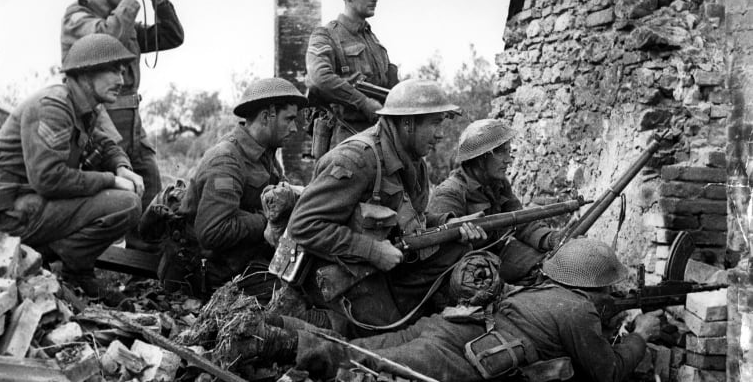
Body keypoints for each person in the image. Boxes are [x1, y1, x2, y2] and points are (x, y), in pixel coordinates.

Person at [244, 238, 663, 382]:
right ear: (595, 285)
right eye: (609, 286)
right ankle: (262, 338)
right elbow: (607, 372)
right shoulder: (579, 313)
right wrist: (641, 335)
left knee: (356, 348)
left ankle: (267, 327)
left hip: (444, 328)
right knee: (361, 367)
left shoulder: (543, 288)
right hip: (457, 355)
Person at [280, 79, 486, 337]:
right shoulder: (356, 159)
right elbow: (303, 226)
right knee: (393, 339)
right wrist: (372, 250)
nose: (441, 133)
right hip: (339, 273)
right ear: (408, 123)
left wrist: (449, 224)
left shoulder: (414, 163)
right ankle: (320, 320)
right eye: (435, 123)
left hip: (383, 264)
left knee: (456, 247)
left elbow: (413, 217)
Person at [0, 34, 144, 305]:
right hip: (12, 217)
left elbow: (106, 144)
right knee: (125, 203)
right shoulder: (53, 105)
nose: (122, 79)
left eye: (123, 70)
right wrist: (110, 180)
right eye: (113, 69)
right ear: (84, 73)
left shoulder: (86, 108)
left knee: (126, 200)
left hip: (35, 207)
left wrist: (122, 167)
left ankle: (66, 269)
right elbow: (49, 179)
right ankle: (56, 268)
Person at [60, 0, 185, 251]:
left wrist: (158, 2)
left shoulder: (122, 20)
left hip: (132, 119)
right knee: (102, 193)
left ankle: (142, 273)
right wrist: (130, 0)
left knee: (149, 188)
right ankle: (82, 265)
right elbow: (105, 42)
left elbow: (170, 36)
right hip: (99, 119)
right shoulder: (77, 18)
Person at [161, 78, 307, 297]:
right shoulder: (227, 160)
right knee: (293, 299)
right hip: (215, 273)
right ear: (267, 117)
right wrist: (268, 220)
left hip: (243, 260)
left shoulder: (265, 155)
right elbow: (213, 231)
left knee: (310, 278)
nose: (295, 128)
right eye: (290, 119)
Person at [428, 119, 560, 283]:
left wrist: (552, 238)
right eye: (501, 152)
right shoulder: (449, 194)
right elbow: (440, 256)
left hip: (497, 255)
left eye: (508, 151)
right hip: (464, 272)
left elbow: (521, 221)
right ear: (481, 158)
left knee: (550, 265)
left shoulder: (497, 183)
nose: (508, 160)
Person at [305, 0, 399, 151]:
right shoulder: (326, 35)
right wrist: (362, 102)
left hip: (378, 139)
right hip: (344, 141)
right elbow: (318, 78)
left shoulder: (375, 43)